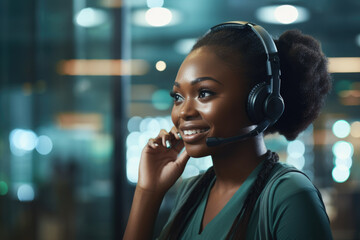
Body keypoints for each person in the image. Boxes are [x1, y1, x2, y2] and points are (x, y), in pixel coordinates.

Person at [123, 21, 333, 240]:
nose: (183, 112)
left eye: (204, 93)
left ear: (259, 101)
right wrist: (148, 192)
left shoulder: (289, 196)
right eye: (178, 97)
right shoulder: (191, 191)